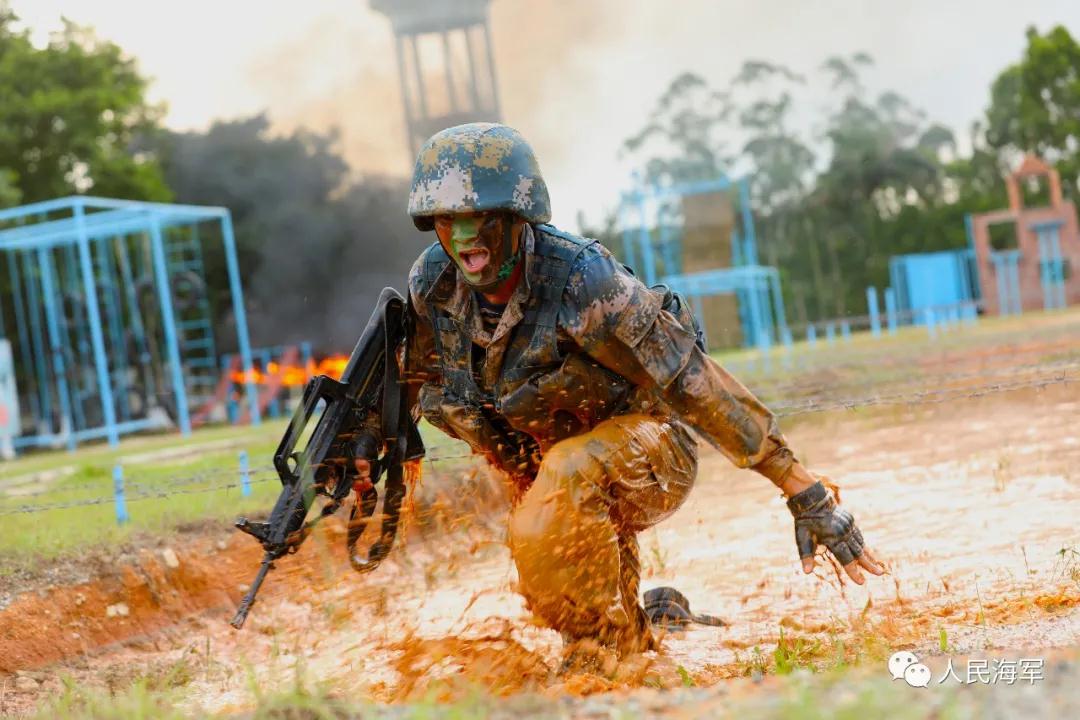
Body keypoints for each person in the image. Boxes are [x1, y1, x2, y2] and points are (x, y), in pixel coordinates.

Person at [354, 122, 884, 666]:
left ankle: (604, 661)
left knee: (563, 484)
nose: (464, 239)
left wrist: (806, 494)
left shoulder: (584, 281)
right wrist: (360, 453)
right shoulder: (435, 284)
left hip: (653, 451)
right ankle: (636, 632)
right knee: (549, 523)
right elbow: (409, 384)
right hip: (558, 474)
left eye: (480, 219)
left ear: (517, 217)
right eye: (447, 222)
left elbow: (691, 382)